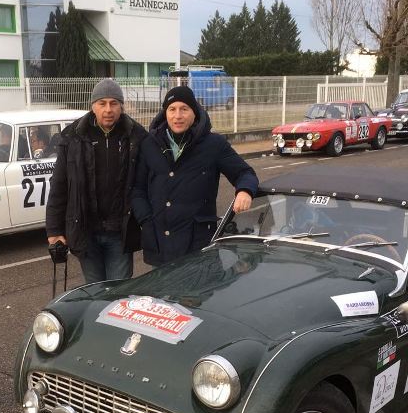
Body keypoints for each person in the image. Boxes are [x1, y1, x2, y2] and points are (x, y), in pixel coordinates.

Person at [131, 86, 258, 266]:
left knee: (198, 294)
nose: (178, 116)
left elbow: (245, 173)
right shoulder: (149, 144)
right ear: (165, 113)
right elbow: (137, 189)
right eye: (172, 109)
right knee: (161, 295)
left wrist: (244, 190)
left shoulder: (214, 144)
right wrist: (146, 221)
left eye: (184, 109)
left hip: (198, 244)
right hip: (160, 243)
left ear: (194, 112)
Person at [45, 78, 148, 283]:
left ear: (121, 107)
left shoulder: (137, 137)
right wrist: (54, 230)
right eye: (102, 103)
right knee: (95, 290)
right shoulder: (72, 137)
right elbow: (59, 186)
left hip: (120, 232)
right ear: (93, 106)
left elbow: (149, 181)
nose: (108, 109)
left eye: (114, 103)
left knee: (119, 290)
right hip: (86, 230)